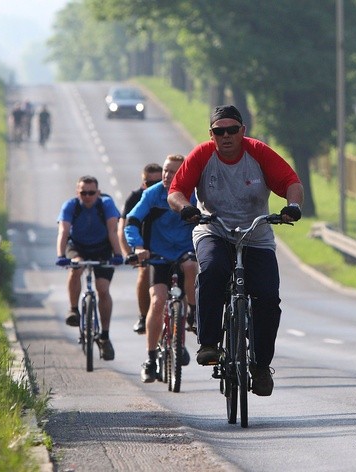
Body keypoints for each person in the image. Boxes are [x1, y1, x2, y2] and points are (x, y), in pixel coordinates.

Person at [167, 105, 304, 396]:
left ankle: (261, 366)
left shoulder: (258, 153)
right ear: (211, 134)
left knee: (267, 298)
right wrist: (187, 208)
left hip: (256, 234)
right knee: (213, 270)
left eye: (232, 130)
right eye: (219, 131)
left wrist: (293, 207)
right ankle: (209, 343)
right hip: (213, 230)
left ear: (243, 131)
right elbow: (176, 191)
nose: (226, 136)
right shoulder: (202, 155)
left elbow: (291, 182)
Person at [125, 154, 199, 383]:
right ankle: (150, 358)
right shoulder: (152, 193)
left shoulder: (194, 195)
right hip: (158, 255)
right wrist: (137, 246)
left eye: (173, 172)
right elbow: (133, 220)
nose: (167, 176)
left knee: (191, 266)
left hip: (185, 250)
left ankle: (192, 314)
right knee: (157, 301)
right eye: (165, 171)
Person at [56, 175, 124, 361]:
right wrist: (61, 256)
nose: (87, 196)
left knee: (102, 289)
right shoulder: (70, 206)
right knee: (76, 267)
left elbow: (113, 230)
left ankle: (105, 336)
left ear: (98, 192)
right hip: (77, 246)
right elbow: (63, 231)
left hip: (103, 247)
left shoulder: (106, 204)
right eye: (83, 193)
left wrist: (118, 255)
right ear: (77, 193)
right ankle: (73, 309)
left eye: (91, 193)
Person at [117, 163, 163, 335]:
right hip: (144, 244)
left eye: (158, 182)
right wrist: (128, 254)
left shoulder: (169, 193)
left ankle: (185, 317)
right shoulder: (135, 198)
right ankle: (144, 316)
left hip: (167, 244)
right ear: (143, 183)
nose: (154, 187)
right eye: (149, 183)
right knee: (144, 272)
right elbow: (123, 228)